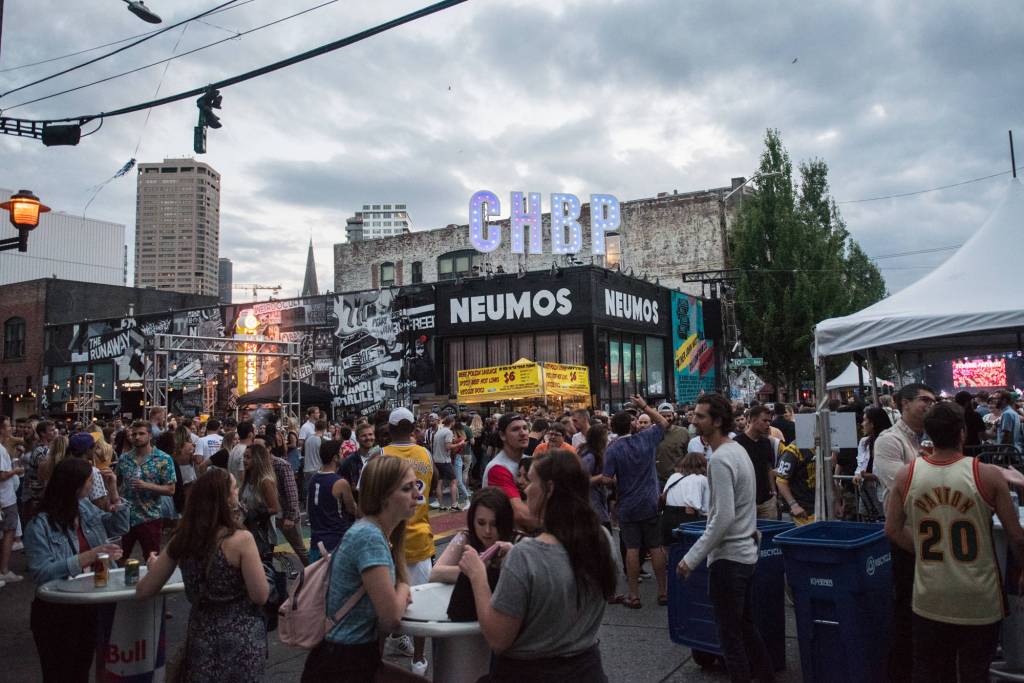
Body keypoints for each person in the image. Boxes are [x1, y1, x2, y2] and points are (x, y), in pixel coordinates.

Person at [885, 401, 1024, 683]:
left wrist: (925, 550)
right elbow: (1016, 535)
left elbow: (893, 529)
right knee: (975, 671)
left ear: (928, 434)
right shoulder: (987, 474)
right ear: (962, 432)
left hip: (929, 597)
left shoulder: (907, 474)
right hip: (979, 598)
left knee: (932, 671)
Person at [458, 450, 618, 682]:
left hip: (528, 673)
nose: (526, 489)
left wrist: (477, 575)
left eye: (531, 481)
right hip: (587, 670)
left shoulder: (526, 557)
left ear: (549, 489)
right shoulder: (601, 538)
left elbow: (498, 639)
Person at [301, 456, 427, 683]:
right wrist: (405, 586)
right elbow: (390, 619)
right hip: (343, 664)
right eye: (407, 488)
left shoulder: (375, 532)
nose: (417, 495)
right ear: (383, 496)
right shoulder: (369, 537)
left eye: (415, 486)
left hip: (352, 658)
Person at [136, 468, 269, 682]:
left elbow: (144, 589)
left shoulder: (182, 538)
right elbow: (260, 595)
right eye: (234, 488)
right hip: (241, 636)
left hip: (201, 634)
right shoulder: (241, 540)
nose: (237, 492)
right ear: (225, 498)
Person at [677, 393, 774, 683]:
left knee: (730, 637)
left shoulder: (720, 459)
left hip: (730, 560)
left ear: (717, 421)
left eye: (701, 416)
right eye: (694, 415)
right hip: (745, 554)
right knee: (744, 627)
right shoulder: (736, 450)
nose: (694, 421)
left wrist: (690, 559)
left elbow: (722, 517)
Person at [24, 458, 127, 681]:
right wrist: (89, 556)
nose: (93, 485)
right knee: (59, 673)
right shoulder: (40, 523)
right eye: (90, 481)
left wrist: (114, 491)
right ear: (75, 484)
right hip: (57, 610)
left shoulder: (85, 507)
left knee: (81, 670)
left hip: (88, 604)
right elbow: (41, 572)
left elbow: (119, 527)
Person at [872, 382, 935, 682]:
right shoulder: (889, 441)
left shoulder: (928, 440)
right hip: (905, 536)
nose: (930, 405)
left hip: (929, 536)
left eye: (933, 401)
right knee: (907, 611)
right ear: (904, 404)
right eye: (924, 400)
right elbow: (902, 484)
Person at [381, 408, 436, 675]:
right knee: (420, 605)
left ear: (389, 429)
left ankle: (375, 660)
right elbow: (433, 485)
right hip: (420, 539)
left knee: (383, 604)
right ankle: (418, 659)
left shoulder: (380, 456)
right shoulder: (425, 454)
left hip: (388, 542)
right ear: (413, 428)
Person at [603, 395, 670, 608]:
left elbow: (606, 479)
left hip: (628, 505)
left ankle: (633, 595)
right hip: (650, 501)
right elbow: (663, 422)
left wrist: (615, 483)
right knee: (656, 546)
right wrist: (644, 406)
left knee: (632, 548)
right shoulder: (646, 438)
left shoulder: (612, 448)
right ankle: (663, 592)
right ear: (632, 424)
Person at [116, 419, 176, 561]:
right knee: (118, 558)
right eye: (134, 434)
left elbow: (171, 489)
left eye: (141, 433)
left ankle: (151, 583)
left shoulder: (163, 458)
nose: (137, 437)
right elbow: (118, 482)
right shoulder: (124, 458)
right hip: (125, 517)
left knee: (152, 559)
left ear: (150, 436)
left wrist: (146, 485)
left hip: (150, 517)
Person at [429, 487, 515, 583]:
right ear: (472, 521)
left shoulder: (517, 542)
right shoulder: (465, 538)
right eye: (481, 523)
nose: (487, 530)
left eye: (494, 524)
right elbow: (434, 573)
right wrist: (472, 570)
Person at [483, 414, 539, 532]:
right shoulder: (497, 468)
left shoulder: (529, 460)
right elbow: (521, 515)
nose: (523, 433)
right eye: (515, 429)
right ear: (503, 435)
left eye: (525, 428)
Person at [308, 440, 358, 562]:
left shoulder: (313, 479)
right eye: (341, 452)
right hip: (335, 541)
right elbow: (353, 509)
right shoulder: (340, 482)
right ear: (335, 457)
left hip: (316, 541)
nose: (343, 455)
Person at [733, 405, 779, 520]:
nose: (768, 424)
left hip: (766, 501)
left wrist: (774, 492)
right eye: (764, 420)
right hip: (745, 501)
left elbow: (768, 467)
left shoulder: (767, 442)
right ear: (752, 420)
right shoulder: (737, 443)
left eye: (769, 421)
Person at [271, 440, 309, 566]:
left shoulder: (281, 465)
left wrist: (291, 516)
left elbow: (292, 492)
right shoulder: (257, 466)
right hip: (269, 515)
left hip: (284, 514)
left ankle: (315, 574)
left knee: (299, 548)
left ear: (268, 448)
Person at [659, 452, 709, 547]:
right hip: (689, 520)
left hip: (667, 517)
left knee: (669, 551)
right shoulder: (701, 479)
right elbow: (705, 509)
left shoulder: (674, 477)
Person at [240, 442, 280, 560]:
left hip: (262, 535)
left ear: (257, 460)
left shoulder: (265, 482)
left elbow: (275, 508)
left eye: (248, 457)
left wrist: (255, 513)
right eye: (244, 457)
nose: (244, 460)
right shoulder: (247, 480)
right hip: (248, 530)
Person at [852, 406, 892, 520]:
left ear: (873, 423)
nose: (862, 424)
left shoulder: (888, 441)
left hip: (883, 491)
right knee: (867, 517)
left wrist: (874, 476)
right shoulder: (864, 442)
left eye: (865, 420)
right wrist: (858, 475)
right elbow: (860, 464)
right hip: (866, 491)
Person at [0, 415, 25, 584]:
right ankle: (4, 570)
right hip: (5, 498)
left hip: (4, 497)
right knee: (9, 532)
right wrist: (16, 471)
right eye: (8, 426)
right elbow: (1, 475)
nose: (11, 429)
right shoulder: (0, 449)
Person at [578, 423, 612, 530]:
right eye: (606, 435)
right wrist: (603, 476)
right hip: (592, 503)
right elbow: (582, 480)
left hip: (598, 501)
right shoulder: (590, 457)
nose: (608, 438)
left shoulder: (598, 453)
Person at [21, 419, 56, 522]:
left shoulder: (47, 448)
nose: (54, 432)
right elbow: (45, 474)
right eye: (51, 430)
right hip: (35, 497)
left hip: (40, 496)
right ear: (42, 433)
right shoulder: (41, 451)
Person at [338, 422, 379, 496]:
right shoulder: (349, 461)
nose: (368, 438)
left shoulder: (381, 458)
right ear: (357, 439)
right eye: (364, 435)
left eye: (370, 434)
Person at [654, 402, 688, 486]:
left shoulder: (683, 432)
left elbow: (687, 455)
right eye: (663, 416)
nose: (666, 419)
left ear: (673, 416)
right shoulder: (652, 433)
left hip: (679, 479)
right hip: (658, 480)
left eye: (669, 416)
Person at [302, 419, 326, 497]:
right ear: (324, 429)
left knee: (309, 492)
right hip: (318, 469)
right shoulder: (323, 441)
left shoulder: (308, 439)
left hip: (307, 469)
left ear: (315, 428)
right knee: (318, 493)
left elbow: (303, 452)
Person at [230, 420, 255, 486]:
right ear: (250, 434)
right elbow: (242, 475)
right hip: (240, 491)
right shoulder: (245, 450)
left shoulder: (235, 448)